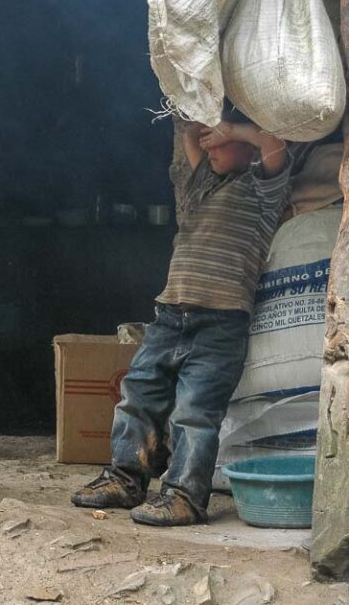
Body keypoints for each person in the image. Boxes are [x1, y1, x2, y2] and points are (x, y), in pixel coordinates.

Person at [71, 105, 292, 526]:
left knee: (194, 412)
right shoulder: (201, 188)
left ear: (247, 150)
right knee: (138, 395)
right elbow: (190, 133)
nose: (211, 146)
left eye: (222, 144)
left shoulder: (263, 192)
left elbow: (273, 142)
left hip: (219, 324)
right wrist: (207, 125)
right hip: (170, 315)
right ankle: (125, 477)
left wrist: (233, 129)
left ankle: (185, 497)